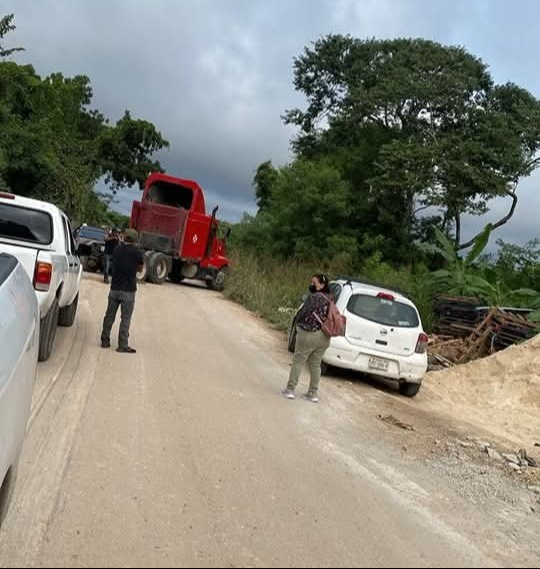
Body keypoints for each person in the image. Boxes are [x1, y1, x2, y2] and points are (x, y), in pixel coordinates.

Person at [281, 274, 331, 403]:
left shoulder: (314, 298)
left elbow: (302, 313)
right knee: (315, 364)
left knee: (299, 360)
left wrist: (297, 322)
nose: (312, 284)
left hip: (309, 333)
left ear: (322, 285)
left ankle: (290, 390)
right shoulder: (330, 299)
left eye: (314, 282)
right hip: (325, 337)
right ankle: (313, 393)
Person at [100, 228, 144, 353]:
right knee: (125, 318)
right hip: (129, 290)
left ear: (125, 237)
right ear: (135, 239)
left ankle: (105, 340)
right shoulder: (137, 252)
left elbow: (114, 262)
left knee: (109, 316)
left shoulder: (117, 249)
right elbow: (140, 269)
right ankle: (122, 345)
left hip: (114, 288)